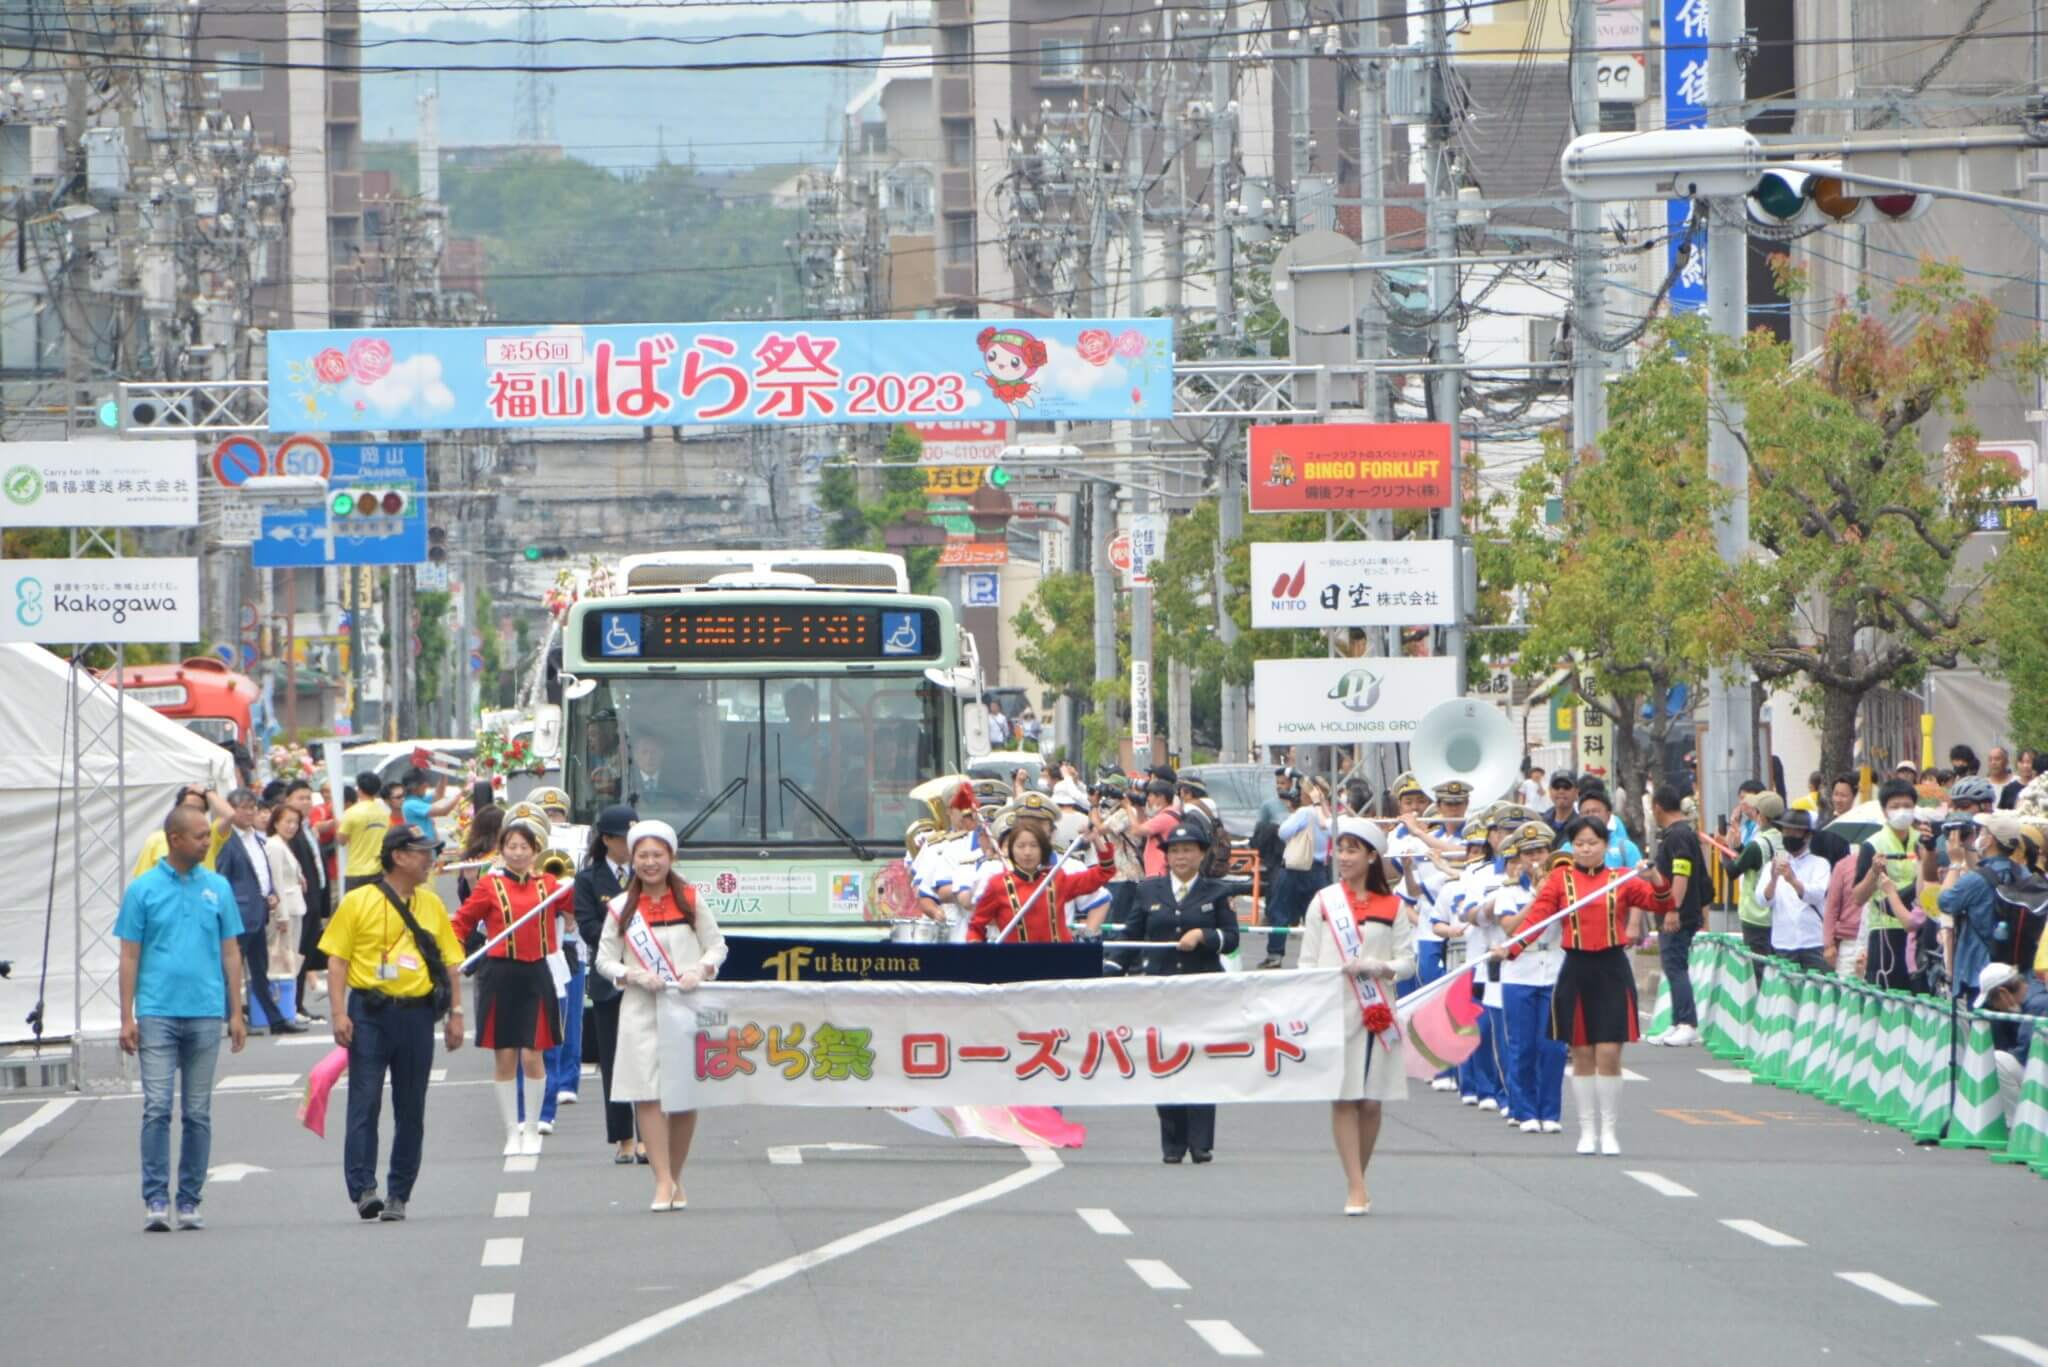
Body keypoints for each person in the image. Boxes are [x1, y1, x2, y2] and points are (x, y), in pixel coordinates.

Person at [1496, 815, 1671, 1155]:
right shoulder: (1560, 879)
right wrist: (1511, 948)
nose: (1586, 849)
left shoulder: (1621, 879)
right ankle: (1587, 1130)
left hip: (1611, 969)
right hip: (1575, 969)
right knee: (1582, 1054)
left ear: (1606, 846)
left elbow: (1661, 903)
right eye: (1579, 844)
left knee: (1608, 1052)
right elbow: (1538, 918)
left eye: (1593, 843)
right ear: (1570, 847)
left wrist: (1655, 877)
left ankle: (1609, 1130)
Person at [319, 824, 465, 1222]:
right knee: (364, 1102)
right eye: (422, 852)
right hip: (370, 1012)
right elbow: (337, 960)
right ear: (398, 856)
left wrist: (456, 1013)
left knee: (411, 1107)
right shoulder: (357, 901)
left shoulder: (431, 904)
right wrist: (338, 1013)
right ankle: (364, 1187)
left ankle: (399, 1192)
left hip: (417, 1015)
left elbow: (450, 961)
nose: (429, 860)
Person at [118, 805, 248, 1232]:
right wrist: (126, 1016)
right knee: (157, 1107)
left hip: (205, 1011)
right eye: (198, 836)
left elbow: (231, 951)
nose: (206, 842)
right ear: (174, 839)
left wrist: (236, 1010)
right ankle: (155, 1197)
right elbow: (130, 955)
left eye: (206, 836)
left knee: (198, 1111)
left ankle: (189, 1198)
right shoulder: (143, 889)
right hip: (157, 1011)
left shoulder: (218, 888)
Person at [595, 820, 727, 1211]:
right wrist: (631, 973)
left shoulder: (690, 898)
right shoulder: (621, 908)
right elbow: (604, 960)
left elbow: (716, 947)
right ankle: (661, 1180)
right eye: (642, 856)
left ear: (671, 857)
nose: (650, 863)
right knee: (646, 1095)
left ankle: (676, 1175)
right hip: (640, 1008)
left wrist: (699, 970)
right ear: (632, 859)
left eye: (657, 855)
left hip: (685, 1008)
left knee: (684, 1096)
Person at [1299, 817, 1413, 1214]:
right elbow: (1307, 962)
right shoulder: (1323, 902)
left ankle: (1357, 1178)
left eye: (1352, 850)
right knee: (1344, 1097)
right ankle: (1356, 1185)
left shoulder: (1392, 905)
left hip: (1378, 1008)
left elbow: (1408, 962)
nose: (1344, 858)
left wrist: (1381, 968)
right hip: (1335, 1008)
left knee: (1371, 1101)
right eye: (1340, 849)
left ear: (1371, 856)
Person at [452, 808, 568, 1158]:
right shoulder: (490, 885)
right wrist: (453, 955)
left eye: (524, 847)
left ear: (535, 851)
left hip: (536, 973)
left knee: (534, 1054)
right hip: (499, 975)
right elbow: (461, 922)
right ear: (501, 850)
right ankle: (511, 1131)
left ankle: (532, 1127)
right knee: (505, 1056)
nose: (517, 852)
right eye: (511, 846)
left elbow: (580, 905)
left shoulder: (549, 885)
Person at [1122, 820, 1239, 1165]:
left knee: (1201, 1062)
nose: (1181, 856)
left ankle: (1201, 1142)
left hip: (1203, 989)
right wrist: (1110, 970)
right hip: (1160, 989)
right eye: (1174, 850)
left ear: (1202, 854)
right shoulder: (1148, 891)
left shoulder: (1217, 892)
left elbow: (1230, 939)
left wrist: (1205, 936)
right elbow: (1130, 937)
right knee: (1165, 1062)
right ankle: (1172, 1143)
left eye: (1188, 850)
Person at [1483, 822, 1568, 1132]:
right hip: (1520, 970)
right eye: (1529, 853)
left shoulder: (1564, 886)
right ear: (1518, 857)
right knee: (1522, 1046)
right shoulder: (1507, 892)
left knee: (1554, 1047)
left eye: (1541, 851)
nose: (1535, 858)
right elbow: (1511, 929)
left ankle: (1551, 1112)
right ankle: (1524, 1109)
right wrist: (1538, 901)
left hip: (1555, 969)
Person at [575, 805, 643, 1164]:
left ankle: (648, 1134)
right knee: (614, 1062)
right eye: (625, 839)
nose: (634, 846)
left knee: (648, 1058)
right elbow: (587, 927)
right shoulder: (588, 879)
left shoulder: (650, 874)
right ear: (608, 840)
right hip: (609, 979)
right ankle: (623, 1138)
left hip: (648, 978)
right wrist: (624, 934)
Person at [213, 789, 306, 1035]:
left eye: (253, 807)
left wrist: (270, 894)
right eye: (244, 807)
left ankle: (274, 1019)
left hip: (260, 910)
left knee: (260, 969)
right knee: (232, 970)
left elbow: (264, 873)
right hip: (239, 912)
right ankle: (232, 1019)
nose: (250, 812)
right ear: (232, 810)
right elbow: (222, 878)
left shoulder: (258, 838)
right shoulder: (228, 840)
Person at [967, 801, 1116, 943]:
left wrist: (1096, 839)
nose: (1027, 852)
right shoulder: (998, 884)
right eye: (1021, 846)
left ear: (1043, 849)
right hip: (1014, 963)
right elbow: (976, 926)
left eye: (1034, 846)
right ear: (1011, 849)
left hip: (1057, 961)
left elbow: (1104, 872)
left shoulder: (1056, 878)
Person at [1938, 812, 2024, 1000]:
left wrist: (1954, 863)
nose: (1978, 836)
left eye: (1982, 832)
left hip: (1978, 971)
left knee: (1980, 1028)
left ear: (1990, 840)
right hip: (2013, 970)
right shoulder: (2022, 873)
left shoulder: (1975, 880)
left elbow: (1945, 902)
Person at [1851, 778, 1926, 991]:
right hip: (1885, 932)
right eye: (1895, 807)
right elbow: (1858, 897)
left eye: (1907, 806)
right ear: (1884, 811)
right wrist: (1873, 872)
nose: (1902, 811)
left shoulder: (1923, 841)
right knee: (1886, 994)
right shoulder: (1872, 844)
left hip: (1919, 931)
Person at [282, 781, 334, 1024]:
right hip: (298, 902)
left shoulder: (307, 827)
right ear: (288, 800)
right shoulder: (288, 833)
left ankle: (298, 1004)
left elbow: (317, 865)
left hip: (313, 900)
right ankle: (292, 1005)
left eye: (308, 798)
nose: (305, 802)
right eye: (300, 798)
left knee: (306, 955)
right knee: (297, 955)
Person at [1265, 779, 1331, 968]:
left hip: (1295, 867)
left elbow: (1284, 832)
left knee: (1280, 911)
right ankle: (1317, 955)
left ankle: (1275, 954)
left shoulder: (1304, 812)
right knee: (1314, 914)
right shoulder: (1326, 814)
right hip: (1318, 868)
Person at [1978, 963, 2046, 1125]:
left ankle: (2019, 1123)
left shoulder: (2035, 1007)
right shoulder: (2037, 993)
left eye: (1991, 1001)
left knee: (1997, 1060)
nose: (1994, 1008)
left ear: (2003, 993)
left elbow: (2027, 1055)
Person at [1720, 790, 1786, 957]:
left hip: (1756, 915)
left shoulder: (1758, 844)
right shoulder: (1783, 839)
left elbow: (1732, 872)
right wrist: (1740, 848)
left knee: (1758, 967)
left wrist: (1723, 849)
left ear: (1762, 816)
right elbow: (1759, 861)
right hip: (1777, 914)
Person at [1763, 809, 1830, 970]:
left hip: (1813, 941)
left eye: (1795, 832)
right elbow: (1763, 900)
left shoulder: (1819, 864)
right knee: (1784, 993)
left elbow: (1817, 894)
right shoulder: (1773, 865)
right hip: (1783, 941)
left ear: (1807, 836)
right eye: (1786, 832)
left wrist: (1793, 881)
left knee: (1815, 990)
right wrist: (1773, 879)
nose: (1790, 836)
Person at [129, 785, 233, 879]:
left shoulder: (209, 836)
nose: (193, 813)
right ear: (177, 808)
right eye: (188, 807)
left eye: (199, 810)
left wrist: (206, 792)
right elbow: (141, 881)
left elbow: (229, 815)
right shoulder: (156, 840)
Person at [265, 804, 310, 1000]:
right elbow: (277, 882)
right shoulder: (274, 845)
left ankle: (287, 1006)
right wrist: (281, 915)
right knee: (283, 960)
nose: (292, 827)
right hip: (287, 911)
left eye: (295, 823)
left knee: (290, 958)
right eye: (288, 822)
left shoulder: (283, 844)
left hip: (295, 907)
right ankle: (283, 1005)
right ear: (275, 823)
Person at [338, 773, 393, 892]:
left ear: (359, 789)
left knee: (355, 908)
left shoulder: (351, 812)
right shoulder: (384, 813)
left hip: (356, 871)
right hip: (378, 870)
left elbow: (341, 840)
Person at [1576, 785, 1641, 869]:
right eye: (1586, 812)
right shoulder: (1569, 847)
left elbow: (1639, 880)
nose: (1590, 815)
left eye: (1595, 811)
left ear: (1609, 815)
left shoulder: (1626, 848)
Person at [399, 769, 460, 853]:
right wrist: (460, 795)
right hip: (423, 850)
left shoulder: (418, 799)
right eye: (424, 786)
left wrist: (443, 773)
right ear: (414, 788)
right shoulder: (411, 804)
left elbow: (438, 794)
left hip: (428, 848)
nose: (426, 787)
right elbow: (443, 811)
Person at [1543, 770, 1579, 839]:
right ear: (1550, 791)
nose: (1561, 791)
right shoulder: (1542, 823)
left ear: (1576, 792)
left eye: (1566, 787)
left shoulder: (1581, 826)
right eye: (1556, 787)